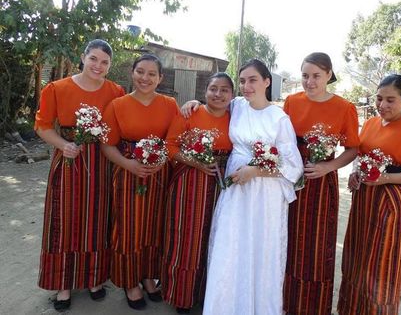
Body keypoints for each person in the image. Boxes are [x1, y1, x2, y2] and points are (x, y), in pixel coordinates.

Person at [203, 59, 303, 315]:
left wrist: (256, 171)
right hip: (236, 188)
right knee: (231, 243)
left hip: (264, 193)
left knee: (260, 246)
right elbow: (212, 107)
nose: (246, 86)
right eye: (243, 81)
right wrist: (192, 104)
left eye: (253, 80)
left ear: (267, 82)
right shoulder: (236, 106)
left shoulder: (279, 118)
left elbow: (293, 165)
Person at [337, 74, 401, 315]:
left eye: (390, 100)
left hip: (393, 200)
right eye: (379, 99)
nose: (382, 105)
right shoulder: (372, 123)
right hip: (364, 198)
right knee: (357, 253)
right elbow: (362, 155)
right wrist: (356, 173)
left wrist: (387, 179)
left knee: (383, 259)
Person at [35, 39, 124, 311]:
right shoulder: (56, 88)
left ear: (109, 66)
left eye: (105, 62)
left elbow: (123, 123)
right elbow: (42, 126)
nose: (98, 65)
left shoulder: (116, 91)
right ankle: (64, 285)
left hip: (102, 163)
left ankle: (95, 279)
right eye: (94, 58)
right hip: (69, 161)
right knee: (65, 220)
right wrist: (63, 145)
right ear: (83, 57)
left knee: (98, 219)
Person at [282, 52, 360, 314]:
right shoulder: (291, 101)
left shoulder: (345, 107)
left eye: (316, 75)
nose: (310, 81)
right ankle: (286, 302)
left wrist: (328, 166)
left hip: (321, 182)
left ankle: (313, 306)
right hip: (290, 178)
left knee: (317, 243)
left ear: (329, 75)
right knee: (288, 237)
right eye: (305, 75)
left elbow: (352, 149)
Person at [100, 54, 179, 310]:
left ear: (160, 78)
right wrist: (129, 164)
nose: (145, 78)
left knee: (155, 226)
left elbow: (173, 140)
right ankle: (129, 281)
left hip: (159, 173)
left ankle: (148, 276)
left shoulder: (169, 104)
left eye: (152, 74)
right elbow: (107, 145)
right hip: (127, 172)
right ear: (132, 73)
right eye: (140, 72)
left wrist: (161, 159)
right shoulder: (117, 105)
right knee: (128, 228)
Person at [161, 72, 234, 314]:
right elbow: (170, 146)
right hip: (189, 182)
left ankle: (206, 293)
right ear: (205, 91)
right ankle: (181, 294)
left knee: (215, 237)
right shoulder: (190, 113)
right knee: (186, 236)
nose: (218, 94)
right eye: (214, 88)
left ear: (232, 95)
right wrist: (194, 161)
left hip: (221, 184)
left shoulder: (236, 117)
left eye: (225, 90)